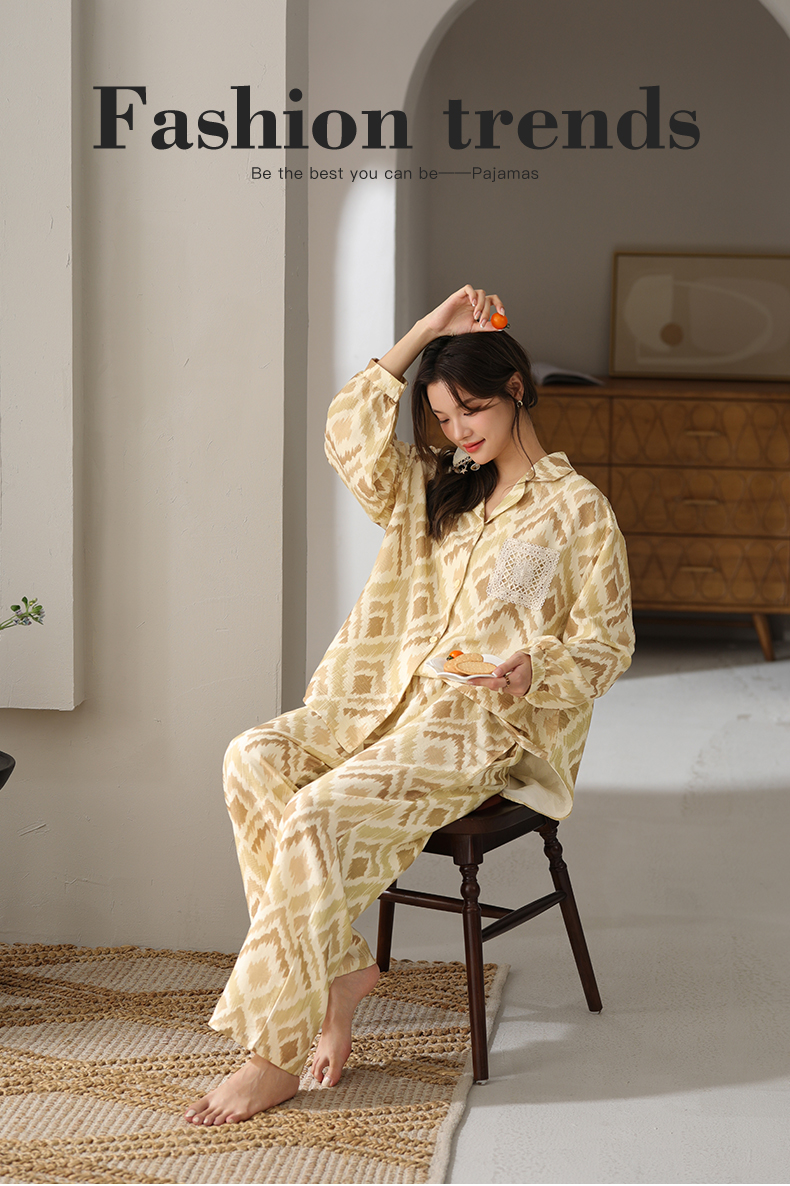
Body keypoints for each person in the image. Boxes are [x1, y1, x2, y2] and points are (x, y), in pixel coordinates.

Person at [184, 284, 634, 1126]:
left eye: (472, 409)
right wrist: (427, 332)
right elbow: (347, 433)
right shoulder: (433, 486)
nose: (459, 431)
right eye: (442, 416)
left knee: (314, 814)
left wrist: (532, 669)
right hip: (370, 701)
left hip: (471, 728)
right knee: (252, 756)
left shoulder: (578, 514)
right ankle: (342, 969)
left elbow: (607, 646)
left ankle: (272, 1053)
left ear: (516, 390)